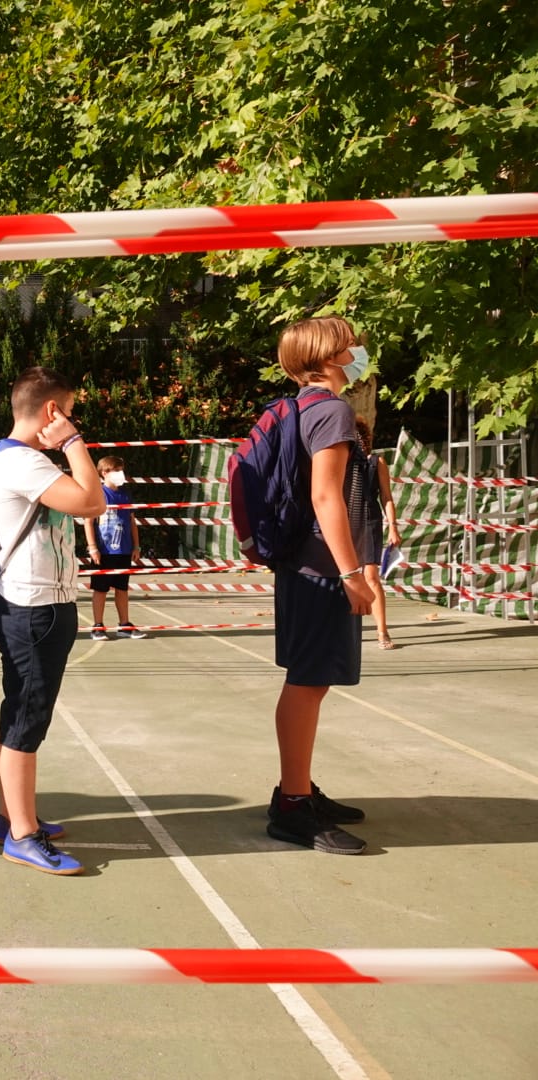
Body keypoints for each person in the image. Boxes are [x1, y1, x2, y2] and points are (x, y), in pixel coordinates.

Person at [0, 367, 106, 875]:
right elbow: (92, 501)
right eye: (70, 411)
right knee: (26, 721)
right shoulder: (22, 462)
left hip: (32, 603)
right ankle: (23, 835)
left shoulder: (10, 457)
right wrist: (75, 443)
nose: (73, 419)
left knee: (19, 711)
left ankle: (13, 815)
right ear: (52, 412)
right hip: (34, 608)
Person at [265, 316, 374, 856]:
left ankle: (299, 788)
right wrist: (353, 574)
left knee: (309, 682)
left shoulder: (294, 408)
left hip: (299, 566)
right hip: (322, 570)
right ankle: (292, 805)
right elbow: (326, 498)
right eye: (352, 346)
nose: (359, 353)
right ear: (329, 356)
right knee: (307, 684)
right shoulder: (330, 411)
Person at [82, 455, 146, 640]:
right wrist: (93, 547)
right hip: (104, 552)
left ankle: (124, 624)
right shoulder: (99, 494)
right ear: (104, 473)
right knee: (100, 589)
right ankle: (97, 626)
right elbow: (88, 521)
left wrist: (136, 546)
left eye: (121, 470)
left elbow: (132, 521)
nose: (120, 474)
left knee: (122, 588)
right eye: (116, 470)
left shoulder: (125, 494)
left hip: (123, 550)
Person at [353, 417, 402, 650]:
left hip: (370, 521)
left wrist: (393, 526)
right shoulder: (339, 460)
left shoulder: (376, 462)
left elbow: (386, 496)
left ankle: (382, 632)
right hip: (345, 523)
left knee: (371, 577)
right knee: (345, 576)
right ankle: (345, 632)